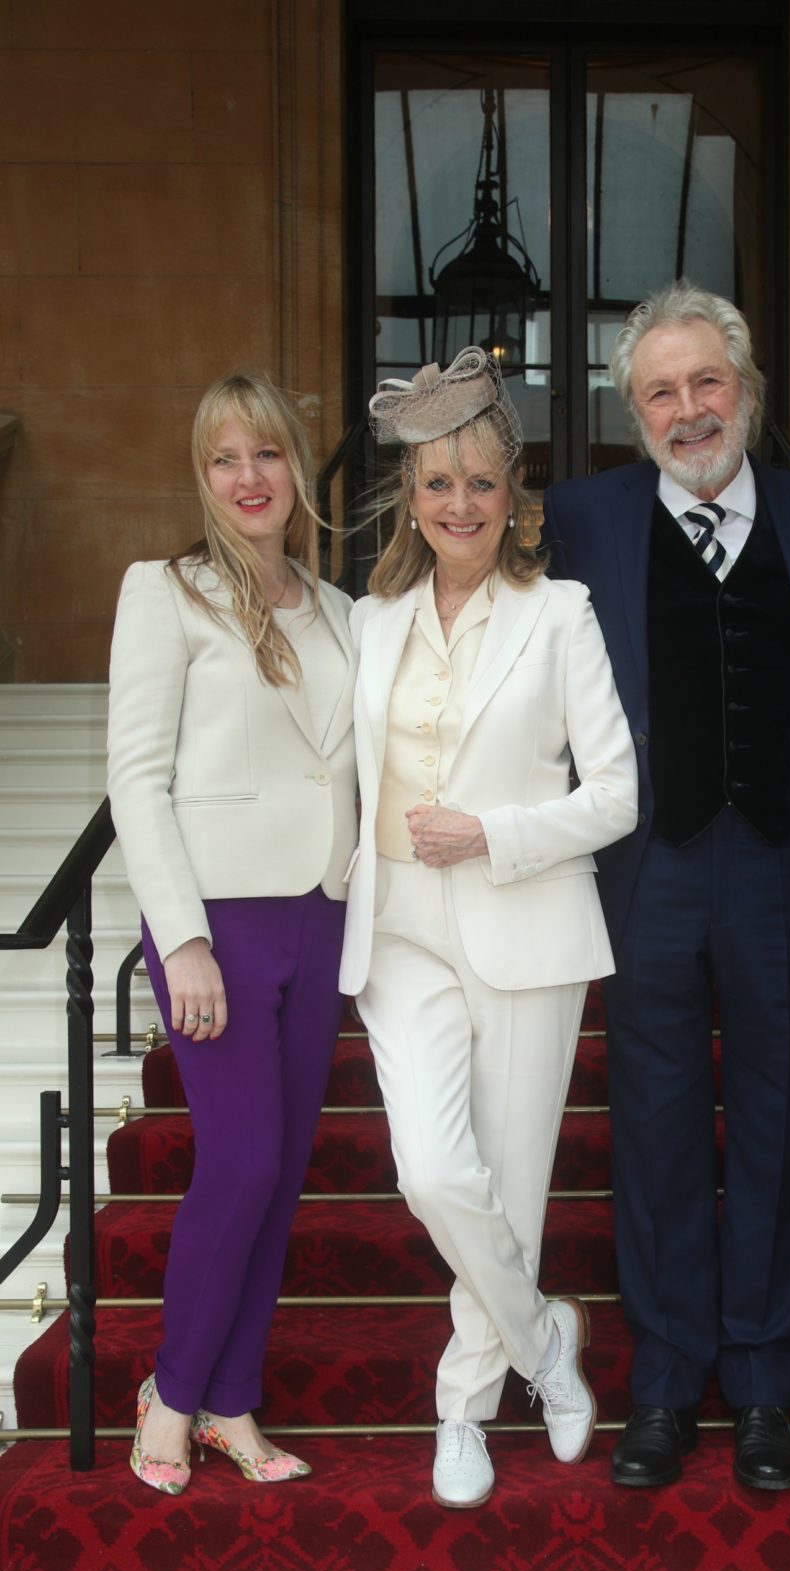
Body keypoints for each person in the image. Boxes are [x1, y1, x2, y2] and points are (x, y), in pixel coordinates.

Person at [541, 281, 790, 1491]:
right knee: (659, 1131)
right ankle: (669, 1382)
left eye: (706, 383)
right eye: (661, 392)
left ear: (746, 390)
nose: (689, 410)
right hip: (648, 869)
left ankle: (767, 1380)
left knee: (780, 1125)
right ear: (635, 412)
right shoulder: (580, 516)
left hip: (785, 862)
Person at [338, 348, 638, 1509]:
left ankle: (461, 1405)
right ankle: (544, 1342)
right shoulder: (367, 623)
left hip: (526, 925)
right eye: (434, 484)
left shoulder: (560, 614)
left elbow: (614, 796)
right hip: (401, 927)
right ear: (409, 499)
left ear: (514, 493)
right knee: (431, 1171)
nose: (457, 504)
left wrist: (495, 832)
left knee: (508, 1186)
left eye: (478, 481)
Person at [108, 373, 358, 1493]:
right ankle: (169, 1389)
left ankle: (231, 1401)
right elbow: (136, 778)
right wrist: (184, 937)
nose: (248, 477)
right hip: (215, 926)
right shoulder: (166, 593)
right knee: (241, 1159)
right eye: (225, 459)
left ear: (298, 468)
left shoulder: (343, 609)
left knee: (284, 1170)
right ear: (202, 476)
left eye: (266, 454)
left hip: (323, 915)